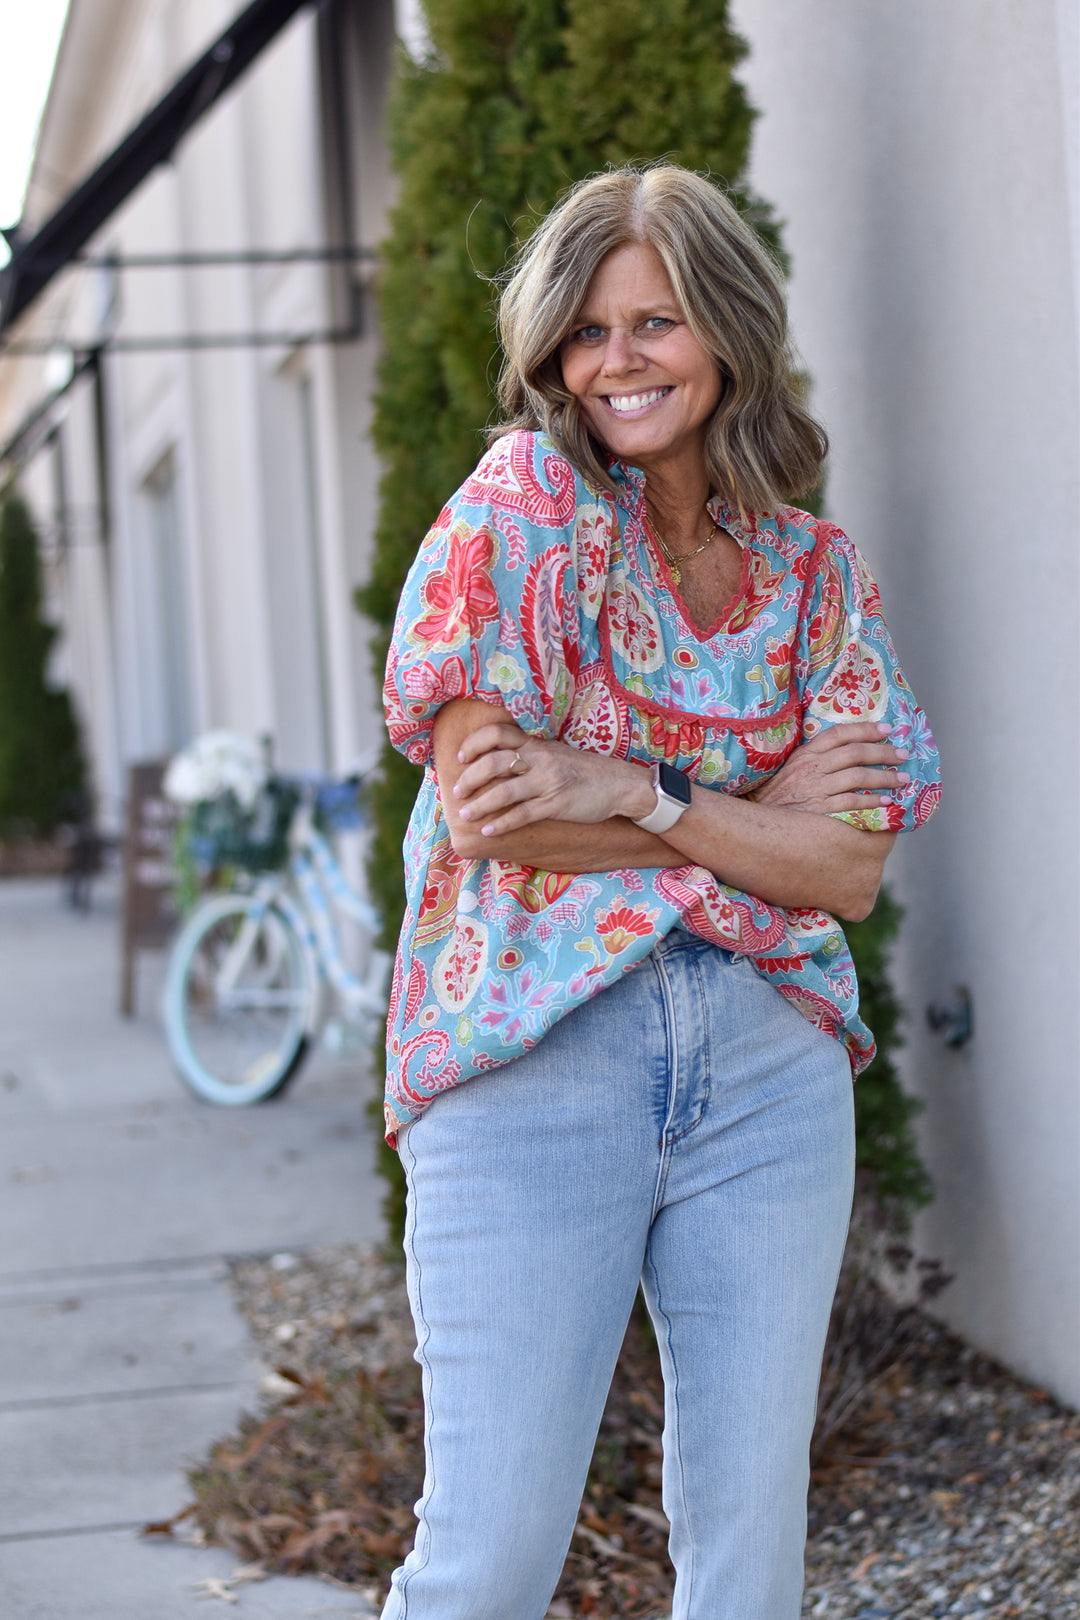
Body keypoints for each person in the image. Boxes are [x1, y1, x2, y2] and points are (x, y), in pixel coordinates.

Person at [379, 164, 940, 1620]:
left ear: (728, 331)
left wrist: (630, 789)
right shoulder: (521, 515)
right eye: (587, 330)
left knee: (750, 1559)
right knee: (489, 1561)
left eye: (656, 321)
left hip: (767, 1067)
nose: (617, 360)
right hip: (532, 1051)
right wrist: (758, 820)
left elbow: (851, 869)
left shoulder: (815, 576)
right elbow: (497, 822)